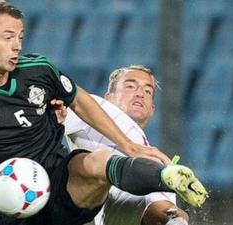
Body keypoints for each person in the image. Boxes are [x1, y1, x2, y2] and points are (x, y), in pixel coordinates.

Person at [0, 1, 207, 225]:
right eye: (8, 38)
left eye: (20, 36)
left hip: (62, 185)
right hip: (12, 210)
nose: (17, 45)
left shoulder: (38, 69)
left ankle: (164, 177)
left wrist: (132, 147)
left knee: (97, 161)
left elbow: (79, 99)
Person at [64, 66, 190, 225]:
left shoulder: (156, 158)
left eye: (148, 91)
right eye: (130, 86)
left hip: (124, 212)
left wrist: (177, 218)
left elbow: (160, 206)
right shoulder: (97, 108)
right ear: (109, 97)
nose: (140, 93)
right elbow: (52, 114)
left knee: (169, 209)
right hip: (97, 204)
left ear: (152, 110)